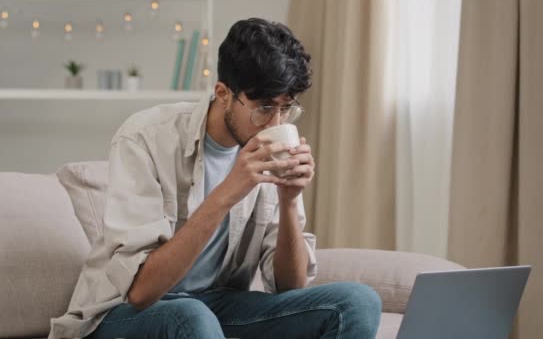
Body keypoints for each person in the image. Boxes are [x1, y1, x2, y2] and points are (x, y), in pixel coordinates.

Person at [49, 18, 381, 339]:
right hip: (123, 312)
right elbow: (140, 291)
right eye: (264, 107)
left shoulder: (272, 148)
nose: (274, 123)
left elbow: (288, 289)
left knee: (355, 303)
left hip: (215, 303)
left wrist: (289, 199)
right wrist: (227, 193)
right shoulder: (145, 138)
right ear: (223, 93)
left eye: (286, 108)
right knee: (190, 315)